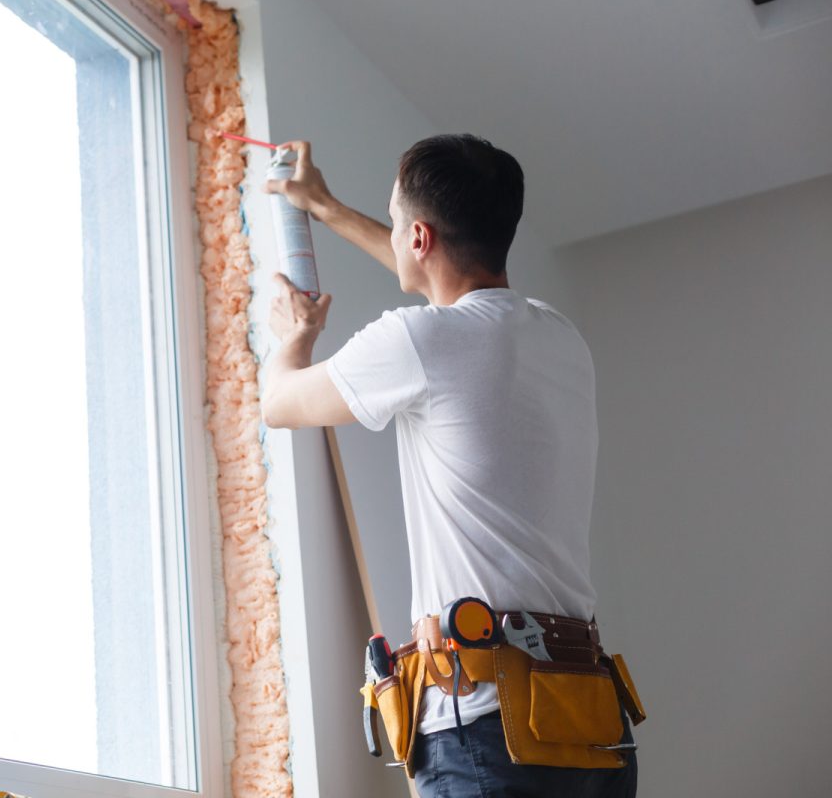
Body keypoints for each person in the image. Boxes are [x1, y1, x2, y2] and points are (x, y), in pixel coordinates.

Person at [260, 135, 637, 797]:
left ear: (422, 237)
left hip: (493, 733)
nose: (400, 234)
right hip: (590, 723)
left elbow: (281, 404)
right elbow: (436, 279)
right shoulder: (558, 337)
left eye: (399, 219)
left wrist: (294, 341)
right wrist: (322, 206)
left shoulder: (422, 341)